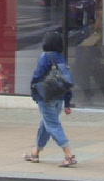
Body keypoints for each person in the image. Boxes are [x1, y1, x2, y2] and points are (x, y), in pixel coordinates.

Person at [24, 30, 77, 167]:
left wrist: (33, 88)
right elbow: (67, 81)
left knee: (52, 125)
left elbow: (38, 75)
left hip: (46, 97)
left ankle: (68, 155)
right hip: (59, 98)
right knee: (45, 125)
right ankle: (35, 153)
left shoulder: (45, 56)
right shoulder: (61, 58)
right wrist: (67, 102)